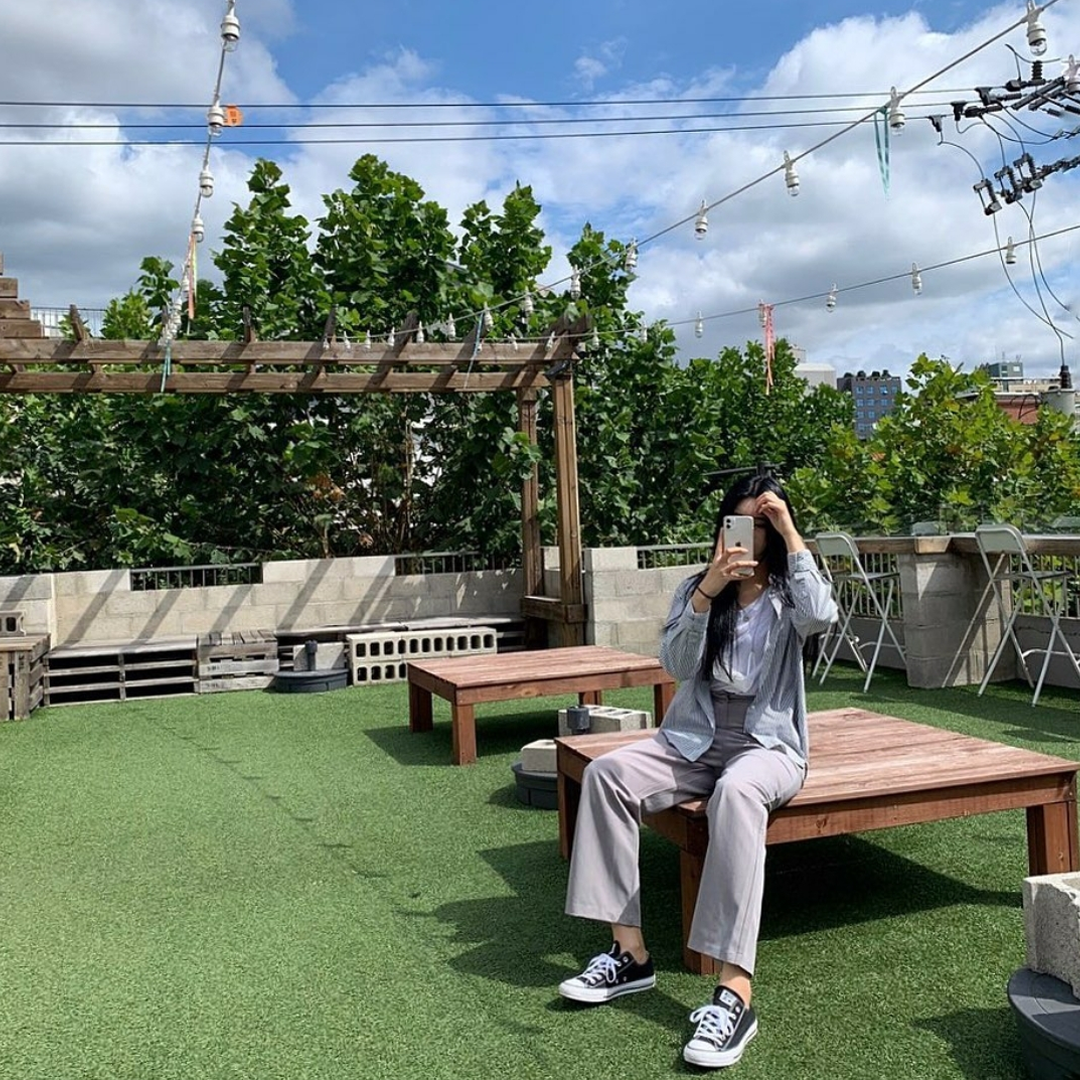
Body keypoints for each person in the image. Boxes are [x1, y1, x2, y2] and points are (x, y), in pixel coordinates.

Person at [558, 473, 837, 1069]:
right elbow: (678, 665)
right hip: (694, 737)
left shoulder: (792, 594)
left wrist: (791, 532)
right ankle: (629, 954)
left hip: (769, 745)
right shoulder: (697, 588)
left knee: (736, 793)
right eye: (743, 522)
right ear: (723, 527)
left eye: (763, 524)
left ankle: (735, 990)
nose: (752, 535)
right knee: (607, 775)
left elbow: (823, 617)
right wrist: (708, 591)